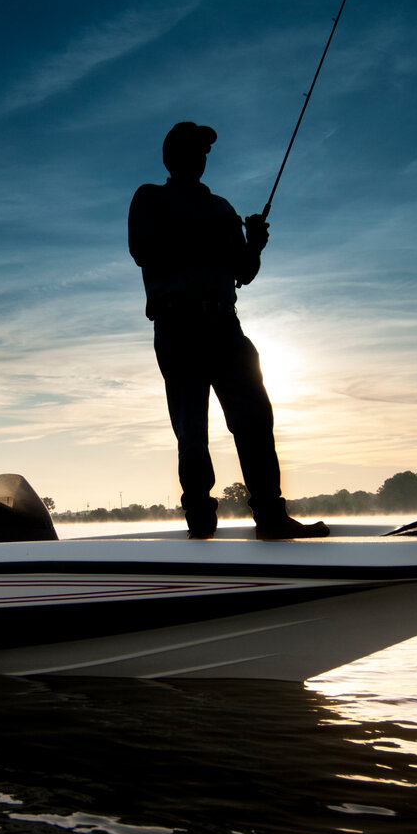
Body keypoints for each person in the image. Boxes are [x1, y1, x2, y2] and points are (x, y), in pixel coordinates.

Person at [128, 121, 328, 540]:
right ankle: (200, 518)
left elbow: (244, 272)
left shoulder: (222, 207)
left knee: (255, 418)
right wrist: (217, 238)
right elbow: (143, 250)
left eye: (204, 152)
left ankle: (271, 517)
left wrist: (253, 243)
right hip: (177, 325)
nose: (201, 157)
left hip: (225, 324)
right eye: (193, 150)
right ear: (173, 157)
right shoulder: (150, 198)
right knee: (191, 427)